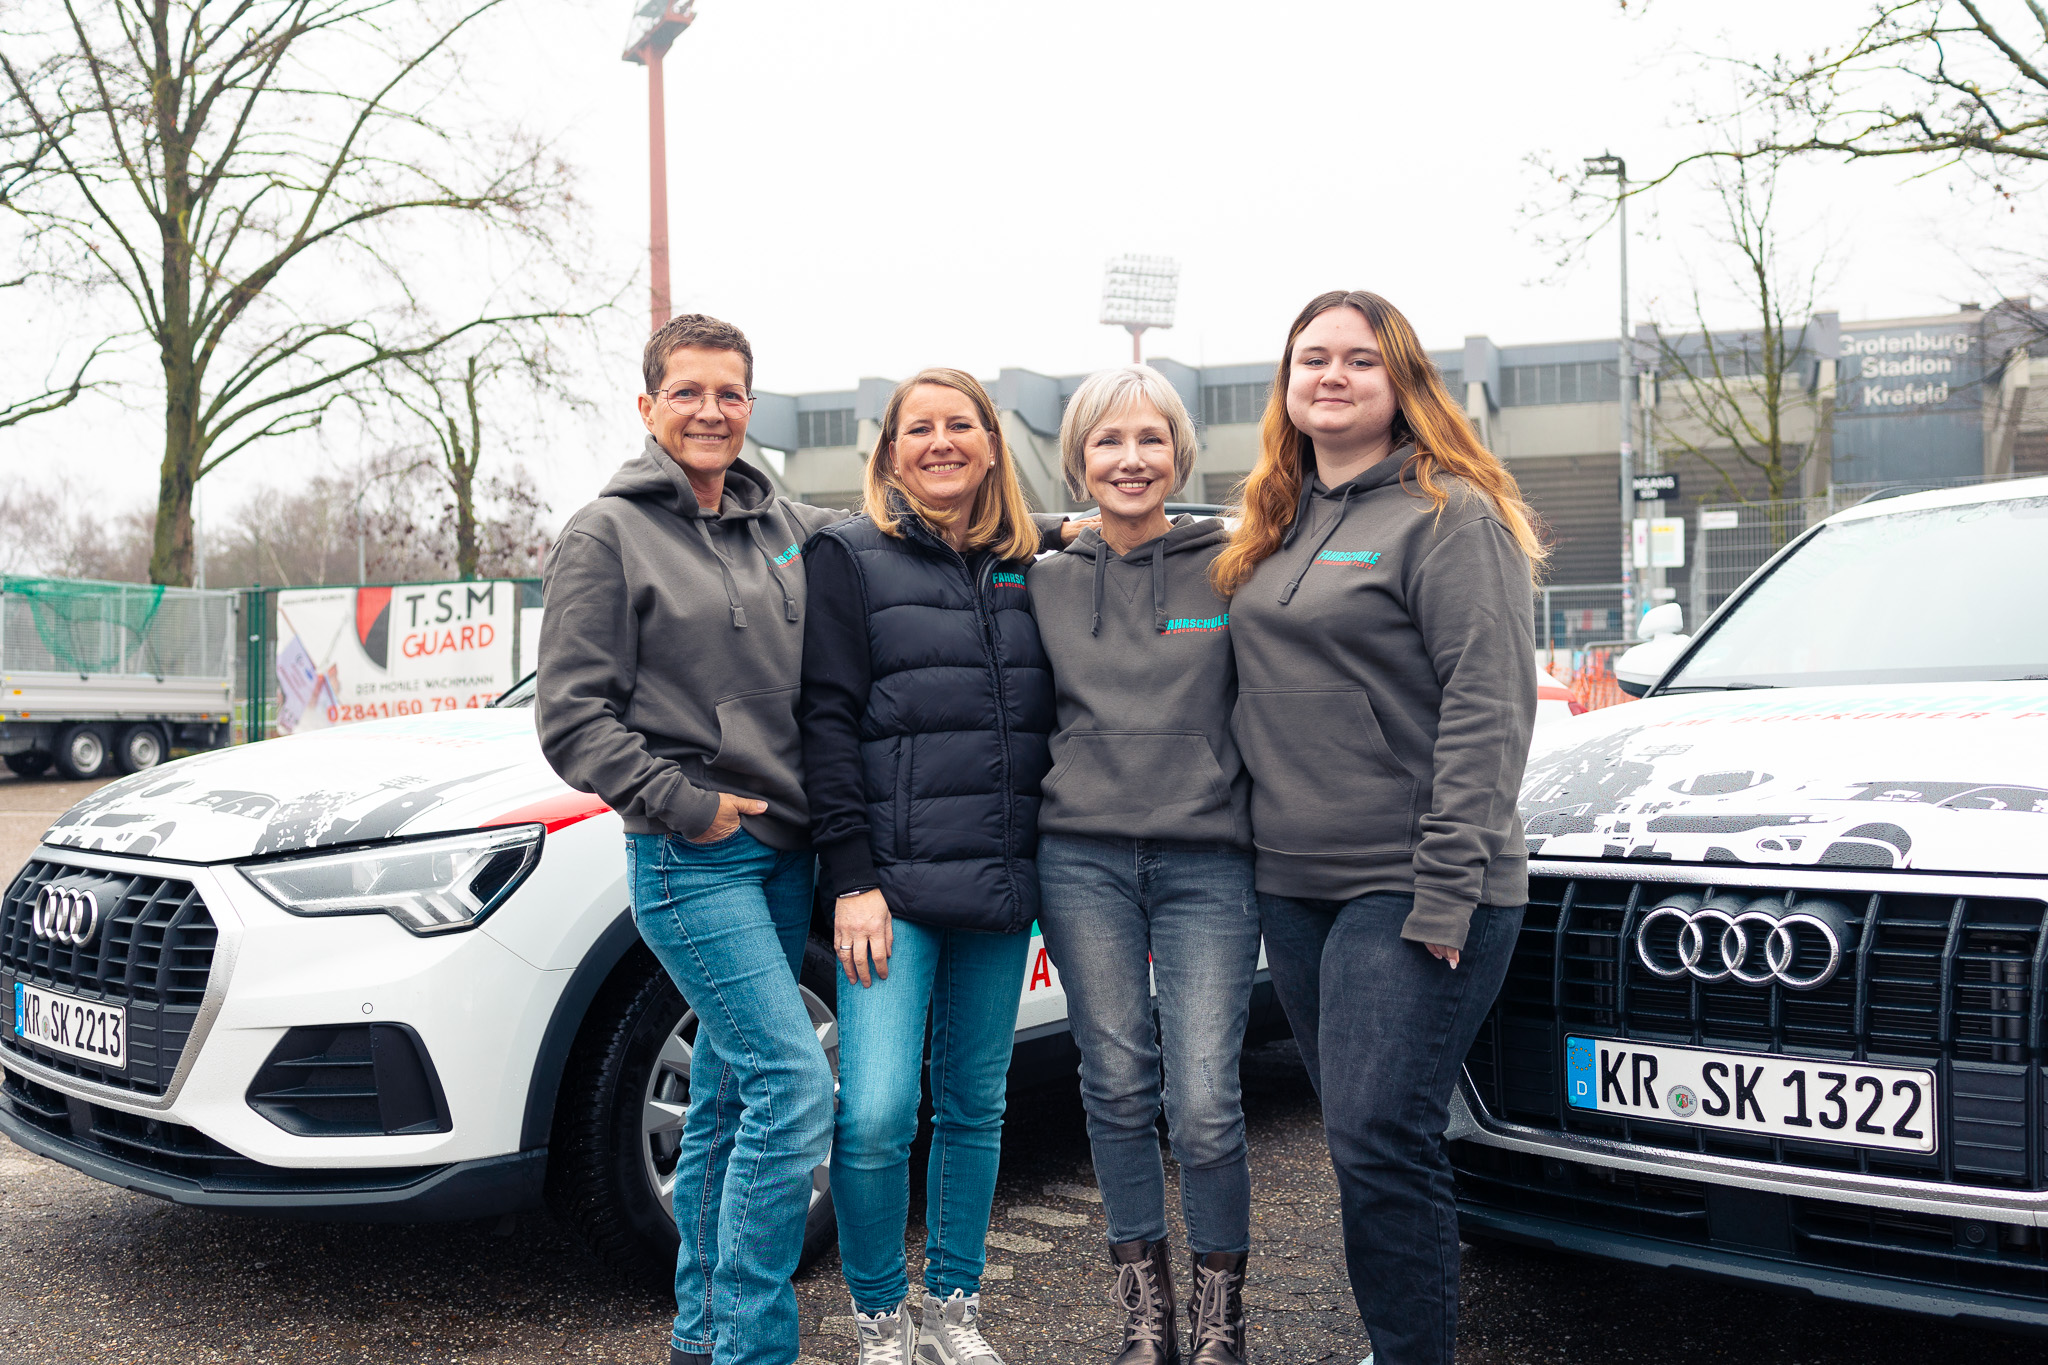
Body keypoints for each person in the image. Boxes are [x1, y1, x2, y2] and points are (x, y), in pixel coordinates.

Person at [1209, 291, 1544, 1365]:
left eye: (1359, 359)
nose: (1332, 376)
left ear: (1399, 382)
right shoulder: (1275, 518)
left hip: (1411, 885)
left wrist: (1446, 887)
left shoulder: (1450, 516)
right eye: (1312, 359)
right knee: (1361, 1149)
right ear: (1287, 385)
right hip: (1293, 885)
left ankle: (1411, 1354)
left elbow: (1487, 709)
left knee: (1377, 1138)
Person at [535, 314, 843, 1365]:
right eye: (688, 392)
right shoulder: (606, 534)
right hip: (691, 857)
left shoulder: (788, 525)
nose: (710, 411)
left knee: (720, 1102)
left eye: (729, 393)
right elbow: (572, 719)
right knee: (794, 1084)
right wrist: (684, 801)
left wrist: (1059, 533)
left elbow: (914, 534)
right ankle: (753, 1347)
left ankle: (700, 1338)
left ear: (750, 406)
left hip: (785, 854)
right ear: (648, 406)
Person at [797, 369, 1056, 1365]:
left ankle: (952, 1308)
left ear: (991, 445)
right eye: (919, 428)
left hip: (995, 886)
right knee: (873, 1113)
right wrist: (851, 878)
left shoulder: (1033, 565)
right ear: (890, 452)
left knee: (973, 1106)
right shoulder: (847, 557)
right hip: (888, 894)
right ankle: (877, 1317)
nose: (940, 441)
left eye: (961, 425)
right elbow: (822, 722)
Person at [1028, 365, 1259, 1365]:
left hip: (1208, 858)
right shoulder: (1041, 577)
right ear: (1078, 457)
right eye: (1107, 441)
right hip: (1079, 858)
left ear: (1179, 453)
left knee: (1204, 1100)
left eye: (1149, 439)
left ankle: (1221, 1320)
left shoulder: (1233, 569)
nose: (1129, 459)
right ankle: (1145, 1317)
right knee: (1115, 1087)